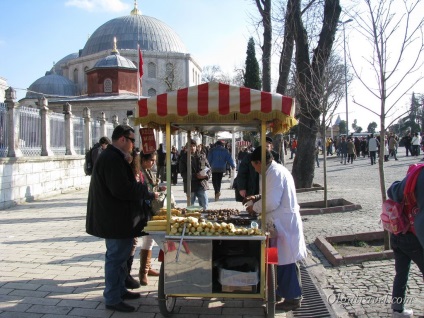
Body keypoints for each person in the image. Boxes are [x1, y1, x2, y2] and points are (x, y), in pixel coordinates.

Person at [86, 124, 159, 313]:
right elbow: (122, 190)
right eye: (132, 140)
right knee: (115, 258)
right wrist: (146, 192)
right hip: (114, 219)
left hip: (119, 218)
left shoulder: (116, 157)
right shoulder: (111, 159)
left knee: (120, 257)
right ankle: (112, 297)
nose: (135, 145)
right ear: (122, 140)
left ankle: (119, 290)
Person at [244, 147, 307, 312]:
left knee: (287, 262)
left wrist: (254, 208)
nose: (254, 169)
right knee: (279, 262)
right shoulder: (271, 172)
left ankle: (293, 298)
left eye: (254, 165)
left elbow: (272, 201)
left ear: (260, 162)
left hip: (284, 224)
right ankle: (279, 292)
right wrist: (257, 197)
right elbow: (271, 193)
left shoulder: (275, 173)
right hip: (278, 224)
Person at [387, 168, 424, 317]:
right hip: (414, 237)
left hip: (399, 232)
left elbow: (393, 191)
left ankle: (397, 309)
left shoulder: (417, 174)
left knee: (401, 273)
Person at [139, 151, 165, 286]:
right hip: (143, 209)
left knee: (150, 239)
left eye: (155, 160)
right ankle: (143, 271)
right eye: (151, 160)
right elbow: (142, 191)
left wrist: (159, 188)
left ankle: (147, 268)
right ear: (143, 160)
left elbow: (152, 186)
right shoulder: (139, 173)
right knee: (147, 239)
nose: (153, 163)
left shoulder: (149, 171)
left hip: (151, 208)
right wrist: (152, 194)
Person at [179, 139, 211, 210]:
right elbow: (183, 173)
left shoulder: (202, 156)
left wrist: (206, 175)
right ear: (186, 147)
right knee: (190, 208)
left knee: (204, 206)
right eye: (190, 146)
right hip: (190, 185)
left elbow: (208, 168)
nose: (192, 148)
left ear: (196, 147)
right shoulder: (183, 158)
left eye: (194, 146)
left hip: (201, 184)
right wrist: (195, 176)